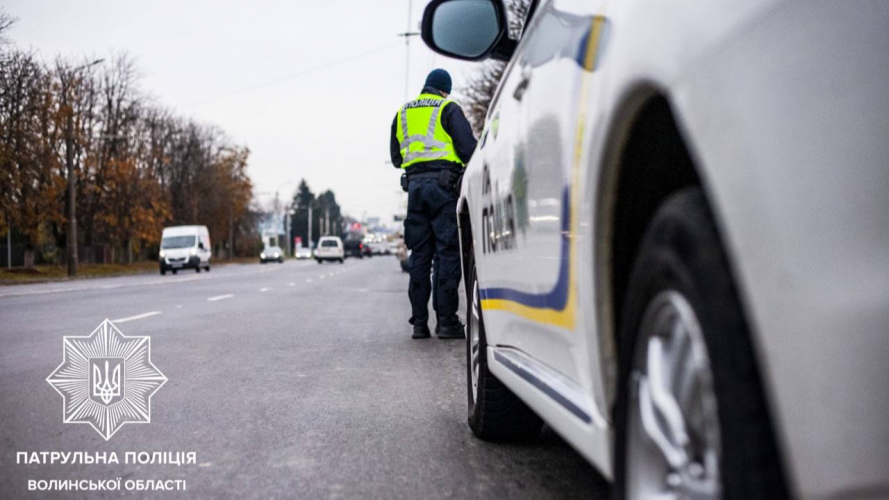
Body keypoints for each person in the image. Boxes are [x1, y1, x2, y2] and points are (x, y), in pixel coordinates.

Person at [390, 69, 477, 339]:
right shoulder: (448, 108)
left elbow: (396, 158)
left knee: (420, 256)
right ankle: (447, 322)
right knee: (447, 253)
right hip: (444, 189)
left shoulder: (402, 113)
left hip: (415, 190)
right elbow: (469, 150)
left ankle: (419, 324)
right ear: (443, 89)